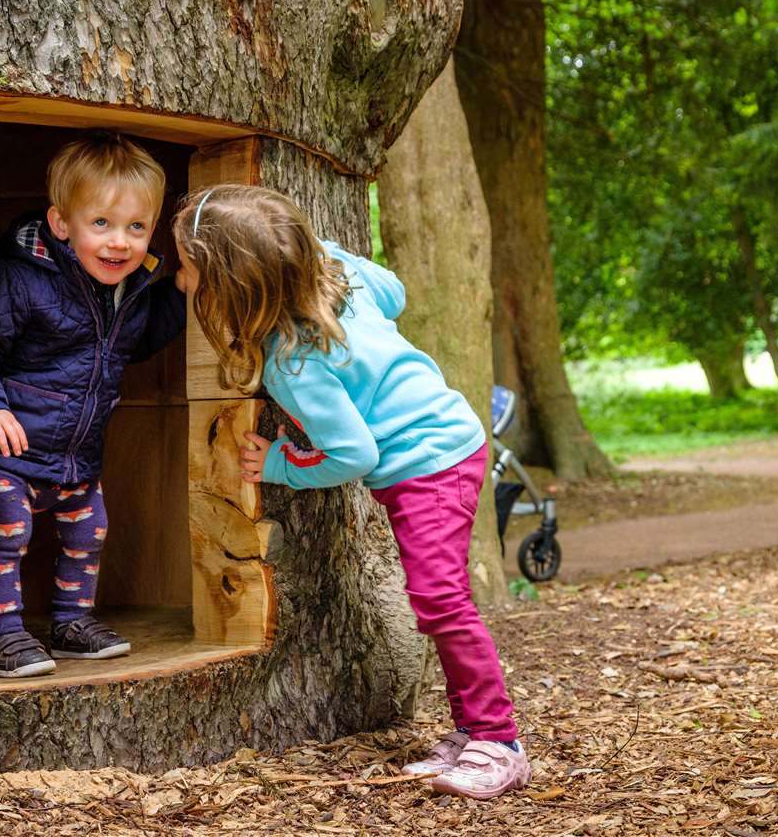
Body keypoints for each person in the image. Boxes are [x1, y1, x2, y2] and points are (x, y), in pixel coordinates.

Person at [171, 184, 531, 800]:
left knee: (439, 599)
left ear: (232, 286)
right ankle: (475, 728)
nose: (178, 278)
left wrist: (279, 463)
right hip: (450, 441)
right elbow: (396, 290)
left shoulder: (292, 364)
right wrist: (329, 256)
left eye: (188, 267)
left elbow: (354, 454)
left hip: (428, 465)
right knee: (434, 597)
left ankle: (498, 741)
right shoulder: (343, 283)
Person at [0, 132, 185, 678]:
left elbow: (142, 340)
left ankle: (72, 622)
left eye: (136, 227)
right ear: (61, 225)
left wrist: (178, 294)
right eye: (100, 224)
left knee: (87, 534)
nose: (119, 243)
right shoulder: (18, 278)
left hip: (77, 456)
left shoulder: (128, 290)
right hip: (12, 448)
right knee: (7, 536)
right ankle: (3, 635)